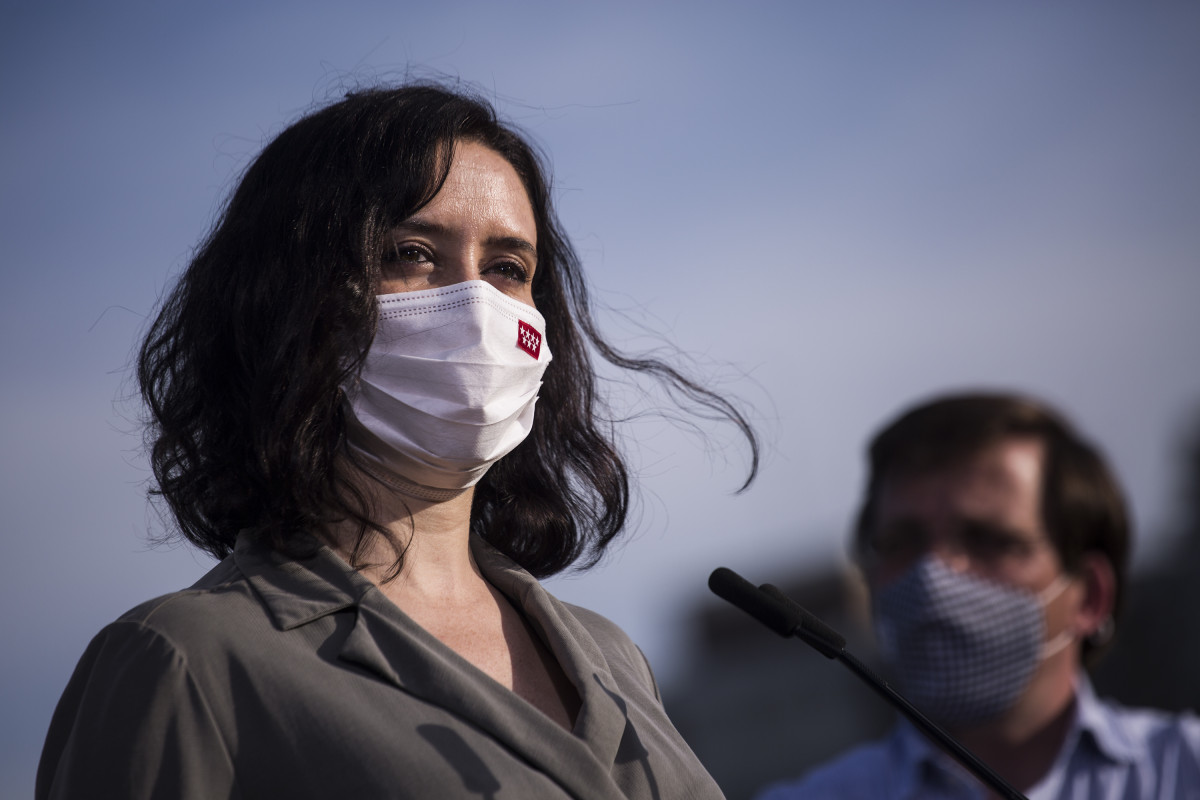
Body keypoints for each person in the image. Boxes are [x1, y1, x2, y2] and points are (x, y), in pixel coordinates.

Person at [37, 83, 756, 799]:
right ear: (293, 301)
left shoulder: (611, 655)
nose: (475, 304)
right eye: (412, 252)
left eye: (508, 268)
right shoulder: (187, 662)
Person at [758, 393, 1200, 799]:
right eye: (901, 543)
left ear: (1090, 598)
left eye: (988, 540)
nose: (932, 576)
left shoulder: (1185, 770)